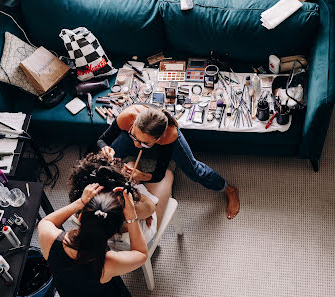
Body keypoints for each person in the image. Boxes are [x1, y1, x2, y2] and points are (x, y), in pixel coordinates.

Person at [98, 104, 240, 219]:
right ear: (133, 124)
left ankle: (229, 189)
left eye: (144, 143)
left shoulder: (168, 136)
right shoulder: (127, 116)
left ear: (158, 140)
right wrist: (105, 148)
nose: (136, 145)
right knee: (105, 160)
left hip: (166, 138)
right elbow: (102, 140)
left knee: (194, 170)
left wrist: (142, 176)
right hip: (140, 133)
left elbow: (159, 173)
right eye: (133, 135)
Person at [38, 184, 147, 297]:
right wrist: (132, 215)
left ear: (80, 217)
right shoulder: (108, 264)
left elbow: (46, 221)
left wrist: (80, 202)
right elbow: (141, 253)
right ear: (114, 233)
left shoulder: (48, 238)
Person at [68, 153, 173, 244]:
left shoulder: (82, 207)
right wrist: (133, 192)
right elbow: (151, 207)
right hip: (138, 240)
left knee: (131, 164)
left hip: (110, 239)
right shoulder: (128, 210)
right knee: (167, 174)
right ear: (118, 190)